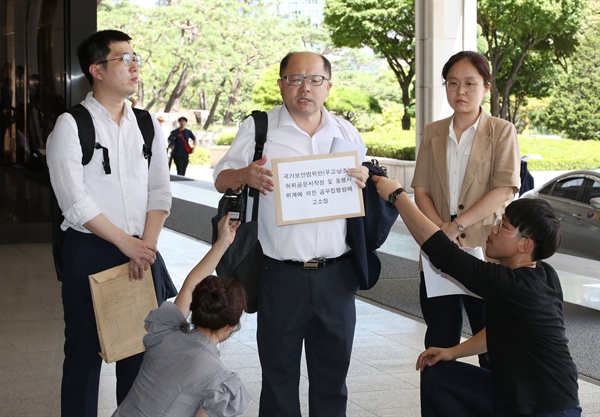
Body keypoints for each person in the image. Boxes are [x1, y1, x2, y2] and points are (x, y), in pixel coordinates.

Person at [213, 51, 370, 417]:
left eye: (315, 80)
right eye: (296, 79)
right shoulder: (260, 129)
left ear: (328, 87)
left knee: (333, 378)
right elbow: (222, 178)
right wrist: (244, 176)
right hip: (280, 275)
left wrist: (364, 179)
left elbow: (366, 185)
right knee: (279, 376)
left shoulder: (346, 132)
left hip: (336, 276)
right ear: (281, 84)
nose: (305, 88)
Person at [373, 176, 582, 417]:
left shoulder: (513, 284)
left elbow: (445, 254)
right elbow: (503, 330)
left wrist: (397, 197)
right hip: (517, 396)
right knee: (439, 376)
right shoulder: (543, 273)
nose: (493, 229)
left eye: (503, 226)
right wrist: (451, 352)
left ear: (525, 246)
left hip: (548, 409)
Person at [46, 30, 172, 417]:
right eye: (123, 59)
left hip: (141, 251)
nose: (134, 66)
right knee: (85, 353)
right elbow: (75, 203)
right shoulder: (72, 124)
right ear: (96, 70)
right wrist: (126, 244)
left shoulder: (146, 124)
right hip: (91, 250)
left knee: (139, 353)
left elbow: (160, 192)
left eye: (136, 57)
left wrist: (144, 247)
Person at [411, 50, 520, 367]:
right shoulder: (433, 132)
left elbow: (504, 189)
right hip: (438, 255)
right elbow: (421, 190)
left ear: (486, 87)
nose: (460, 91)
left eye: (470, 84)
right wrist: (439, 233)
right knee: (438, 341)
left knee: (492, 345)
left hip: (486, 254)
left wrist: (456, 226)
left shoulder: (501, 131)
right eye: (453, 83)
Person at [112, 213, 250, 417]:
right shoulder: (218, 378)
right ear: (231, 325)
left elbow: (190, 285)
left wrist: (223, 242)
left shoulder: (165, 332)